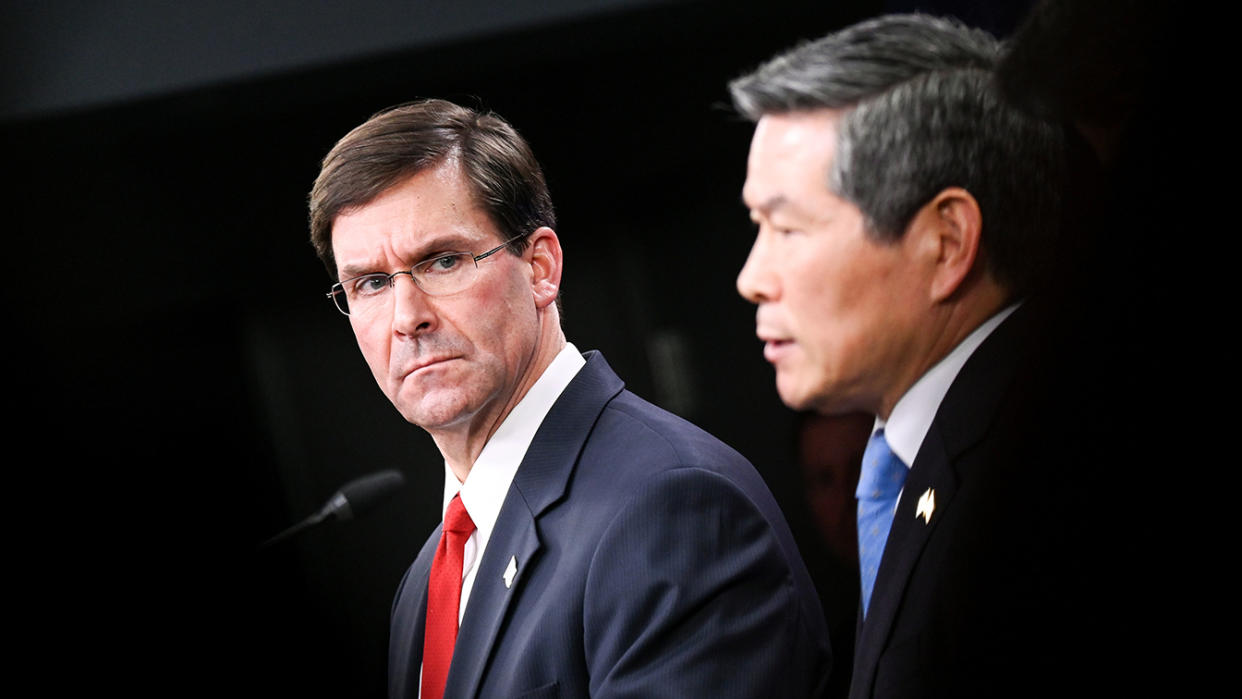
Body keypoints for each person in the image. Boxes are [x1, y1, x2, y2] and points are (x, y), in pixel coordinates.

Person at [307, 98, 831, 699]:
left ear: (540, 268)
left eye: (442, 260)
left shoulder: (671, 506)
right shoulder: (425, 582)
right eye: (370, 283)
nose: (406, 317)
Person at [730, 13, 1127, 697]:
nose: (751, 276)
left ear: (946, 243)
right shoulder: (927, 456)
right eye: (756, 225)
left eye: (788, 227)